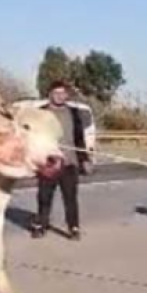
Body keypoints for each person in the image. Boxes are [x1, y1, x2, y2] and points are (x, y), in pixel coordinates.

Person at [31, 81, 90, 240]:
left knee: (70, 197)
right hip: (48, 162)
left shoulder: (73, 112)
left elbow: (79, 138)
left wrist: (84, 159)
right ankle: (41, 225)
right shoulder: (40, 112)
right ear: (50, 94)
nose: (59, 96)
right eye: (56, 93)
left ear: (67, 95)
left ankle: (74, 228)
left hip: (69, 162)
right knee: (44, 197)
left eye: (63, 93)